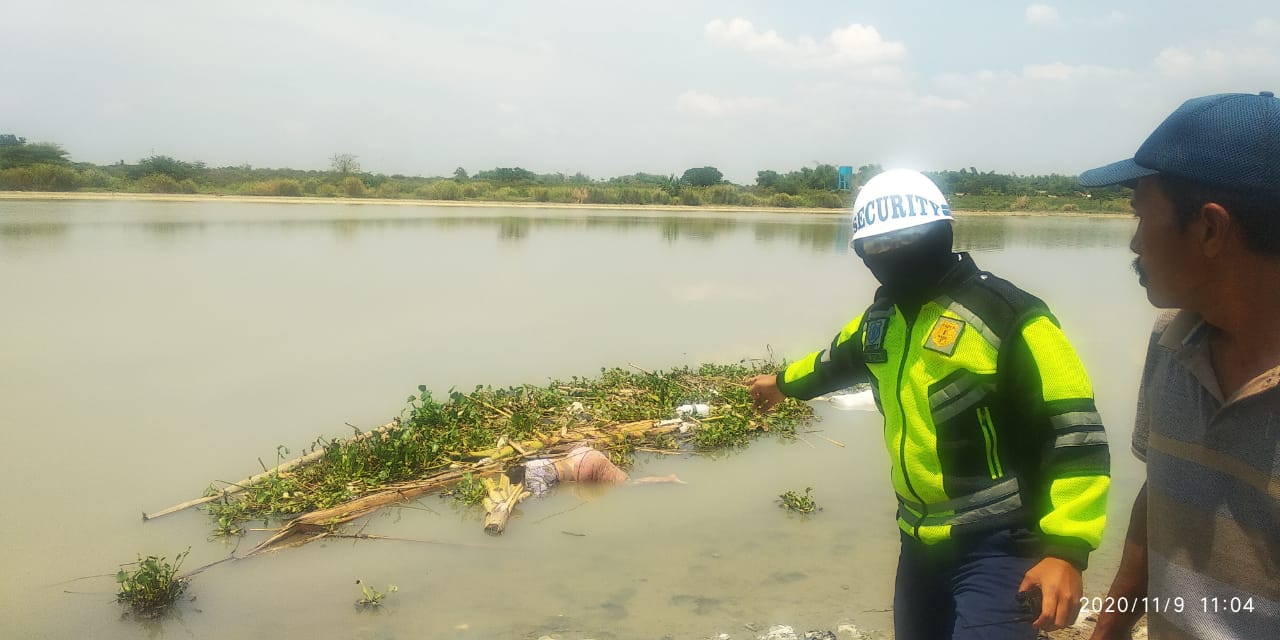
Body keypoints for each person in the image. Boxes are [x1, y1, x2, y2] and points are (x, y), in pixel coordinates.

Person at [748, 169, 1111, 639]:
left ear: (943, 233)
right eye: (878, 247)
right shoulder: (882, 322)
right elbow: (830, 363)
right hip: (919, 543)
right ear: (862, 253)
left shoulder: (1010, 317)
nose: (896, 255)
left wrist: (1067, 548)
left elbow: (1076, 433)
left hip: (1002, 544)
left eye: (911, 238)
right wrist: (779, 384)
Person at [1079, 91, 1280, 639]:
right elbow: (1160, 497)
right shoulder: (1171, 341)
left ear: (1211, 229)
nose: (1135, 244)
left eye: (1144, 216)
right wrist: (1110, 630)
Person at [519, 445, 681, 497]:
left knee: (628, 485)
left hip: (584, 469)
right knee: (626, 482)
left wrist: (523, 497)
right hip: (581, 454)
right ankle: (667, 478)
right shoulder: (533, 464)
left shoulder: (532, 478)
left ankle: (669, 479)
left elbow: (541, 498)